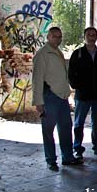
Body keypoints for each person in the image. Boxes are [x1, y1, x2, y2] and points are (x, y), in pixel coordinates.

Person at [32, 27, 83, 171]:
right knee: (48, 130)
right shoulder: (42, 54)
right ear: (48, 37)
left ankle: (67, 157)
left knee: (66, 128)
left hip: (62, 97)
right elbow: (37, 79)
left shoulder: (57, 52)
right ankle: (51, 160)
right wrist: (38, 102)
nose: (58, 39)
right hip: (49, 97)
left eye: (60, 37)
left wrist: (68, 94)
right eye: (55, 36)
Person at [68, 27, 97, 158]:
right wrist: (76, 86)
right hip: (83, 95)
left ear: (96, 37)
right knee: (79, 123)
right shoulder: (78, 53)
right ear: (84, 36)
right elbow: (71, 72)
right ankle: (77, 148)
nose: (91, 37)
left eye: (93, 34)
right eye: (89, 34)